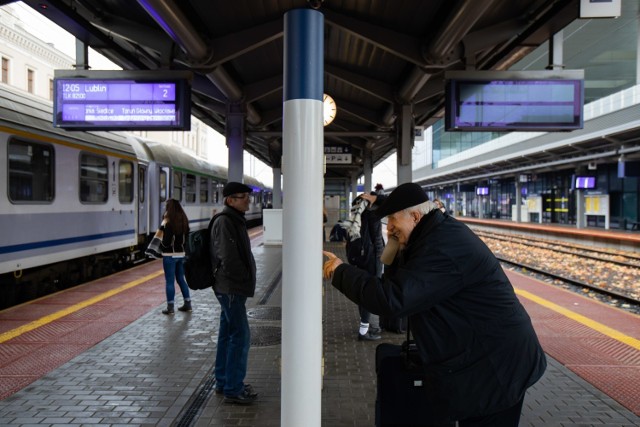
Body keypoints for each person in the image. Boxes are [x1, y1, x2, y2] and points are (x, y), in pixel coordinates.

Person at [323, 182, 546, 426]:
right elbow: (398, 285)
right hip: (478, 358)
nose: (390, 228)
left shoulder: (442, 247)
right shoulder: (428, 235)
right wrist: (393, 249)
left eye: (393, 222)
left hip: (498, 367)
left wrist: (341, 272)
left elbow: (393, 299)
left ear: (415, 217)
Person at [210, 181, 258, 405]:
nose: (248, 200)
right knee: (241, 336)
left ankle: (224, 382)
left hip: (229, 287)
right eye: (243, 197)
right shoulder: (226, 221)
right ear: (230, 200)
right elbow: (228, 258)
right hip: (230, 288)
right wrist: (243, 279)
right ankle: (233, 388)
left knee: (228, 334)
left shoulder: (233, 219)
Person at [343, 193, 385, 341]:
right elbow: (377, 239)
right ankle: (364, 330)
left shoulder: (356, 213)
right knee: (370, 293)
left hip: (357, 257)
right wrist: (381, 259)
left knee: (362, 291)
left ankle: (365, 326)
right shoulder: (373, 214)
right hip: (372, 259)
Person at [159, 199, 192, 315]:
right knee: (181, 279)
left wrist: (161, 246)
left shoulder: (168, 221)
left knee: (169, 281)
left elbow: (167, 242)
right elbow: (187, 237)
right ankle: (188, 303)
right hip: (181, 254)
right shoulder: (184, 219)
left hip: (170, 255)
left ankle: (170, 307)